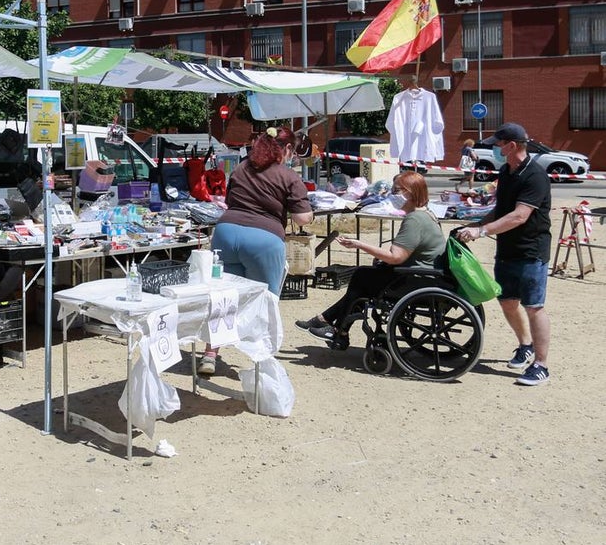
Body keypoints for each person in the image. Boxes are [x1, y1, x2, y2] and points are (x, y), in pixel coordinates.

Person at [201, 126, 313, 375]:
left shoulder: (242, 168)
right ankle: (262, 362)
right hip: (264, 239)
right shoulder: (288, 176)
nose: (292, 155)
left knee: (223, 297)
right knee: (265, 301)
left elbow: (230, 201)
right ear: (285, 149)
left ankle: (210, 354)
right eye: (292, 150)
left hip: (226, 233)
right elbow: (303, 218)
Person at [295, 170, 445, 341]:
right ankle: (328, 322)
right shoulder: (427, 214)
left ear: (409, 193)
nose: (392, 195)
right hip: (425, 275)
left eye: (396, 191)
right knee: (364, 278)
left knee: (362, 278)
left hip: (417, 280)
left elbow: (396, 257)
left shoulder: (415, 220)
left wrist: (359, 244)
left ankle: (336, 328)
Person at [456, 123, 552, 386]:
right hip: (507, 248)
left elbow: (520, 215)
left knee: (534, 307)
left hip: (531, 250)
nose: (494, 148)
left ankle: (541, 365)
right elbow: (502, 210)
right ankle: (525, 345)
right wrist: (474, 226)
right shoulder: (506, 171)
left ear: (512, 146)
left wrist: (483, 231)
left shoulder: (535, 176)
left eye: (498, 144)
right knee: (507, 301)